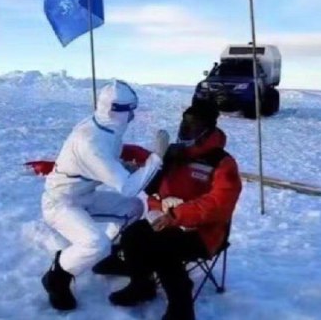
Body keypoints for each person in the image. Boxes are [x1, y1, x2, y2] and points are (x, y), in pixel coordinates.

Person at [96, 100, 242, 320]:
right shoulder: (176, 153)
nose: (185, 130)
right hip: (167, 219)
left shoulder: (222, 163)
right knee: (133, 235)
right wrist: (150, 184)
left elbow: (220, 205)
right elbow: (156, 190)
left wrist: (177, 214)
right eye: (184, 124)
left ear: (207, 129)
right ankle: (142, 285)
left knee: (163, 248)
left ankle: (181, 308)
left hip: (204, 233)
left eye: (193, 126)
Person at [41, 80, 164, 311]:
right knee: (94, 243)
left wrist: (128, 163)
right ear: (117, 111)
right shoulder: (91, 143)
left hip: (84, 196)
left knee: (133, 208)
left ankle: (108, 257)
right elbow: (127, 186)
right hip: (61, 203)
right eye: (130, 110)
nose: (133, 116)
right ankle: (57, 276)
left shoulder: (104, 126)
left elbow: (112, 161)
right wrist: (156, 159)